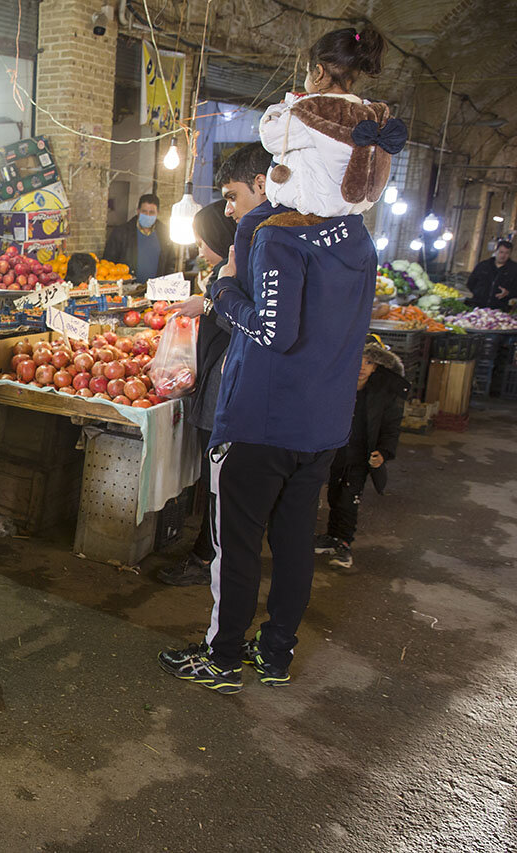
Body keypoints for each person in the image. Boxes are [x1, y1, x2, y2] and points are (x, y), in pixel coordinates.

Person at [157, 136, 379, 693]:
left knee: (236, 546)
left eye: (233, 195)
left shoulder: (275, 236)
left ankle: (223, 656)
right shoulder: (356, 238)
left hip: (262, 419)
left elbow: (272, 332)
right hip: (322, 422)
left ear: (279, 177)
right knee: (294, 540)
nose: (231, 210)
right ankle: (276, 653)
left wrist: (222, 290)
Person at [157, 201, 237, 587]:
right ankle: (208, 553)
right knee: (212, 480)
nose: (201, 250)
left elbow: (240, 320)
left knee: (216, 481)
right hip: (213, 383)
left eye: (205, 242)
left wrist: (205, 306)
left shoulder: (238, 272)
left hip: (223, 389)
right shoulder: (227, 269)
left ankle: (206, 557)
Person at [259, 27, 405, 219]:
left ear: (318, 73)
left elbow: (271, 137)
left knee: (250, 228)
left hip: (309, 215)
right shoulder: (371, 114)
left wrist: (281, 108)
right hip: (348, 217)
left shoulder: (312, 110)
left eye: (306, 72)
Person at [314, 338, 409, 570]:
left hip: (359, 458)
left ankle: (344, 542)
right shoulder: (337, 385)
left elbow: (391, 425)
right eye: (358, 360)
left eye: (369, 362)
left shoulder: (381, 394)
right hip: (335, 452)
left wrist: (384, 452)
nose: (362, 367)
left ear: (377, 366)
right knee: (334, 495)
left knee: (349, 499)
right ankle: (332, 536)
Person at [103, 193, 176, 282]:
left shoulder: (165, 233)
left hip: (155, 290)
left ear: (158, 213)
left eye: (152, 212)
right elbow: (108, 264)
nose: (148, 215)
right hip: (128, 289)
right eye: (144, 211)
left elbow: (171, 262)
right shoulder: (121, 233)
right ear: (138, 211)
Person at [464, 240, 515, 310]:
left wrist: (508, 293)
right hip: (478, 306)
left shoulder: (514, 269)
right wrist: (479, 293)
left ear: (510, 254)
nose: (503, 256)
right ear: (496, 251)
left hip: (499, 309)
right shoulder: (483, 265)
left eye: (507, 253)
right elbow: (470, 283)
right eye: (501, 252)